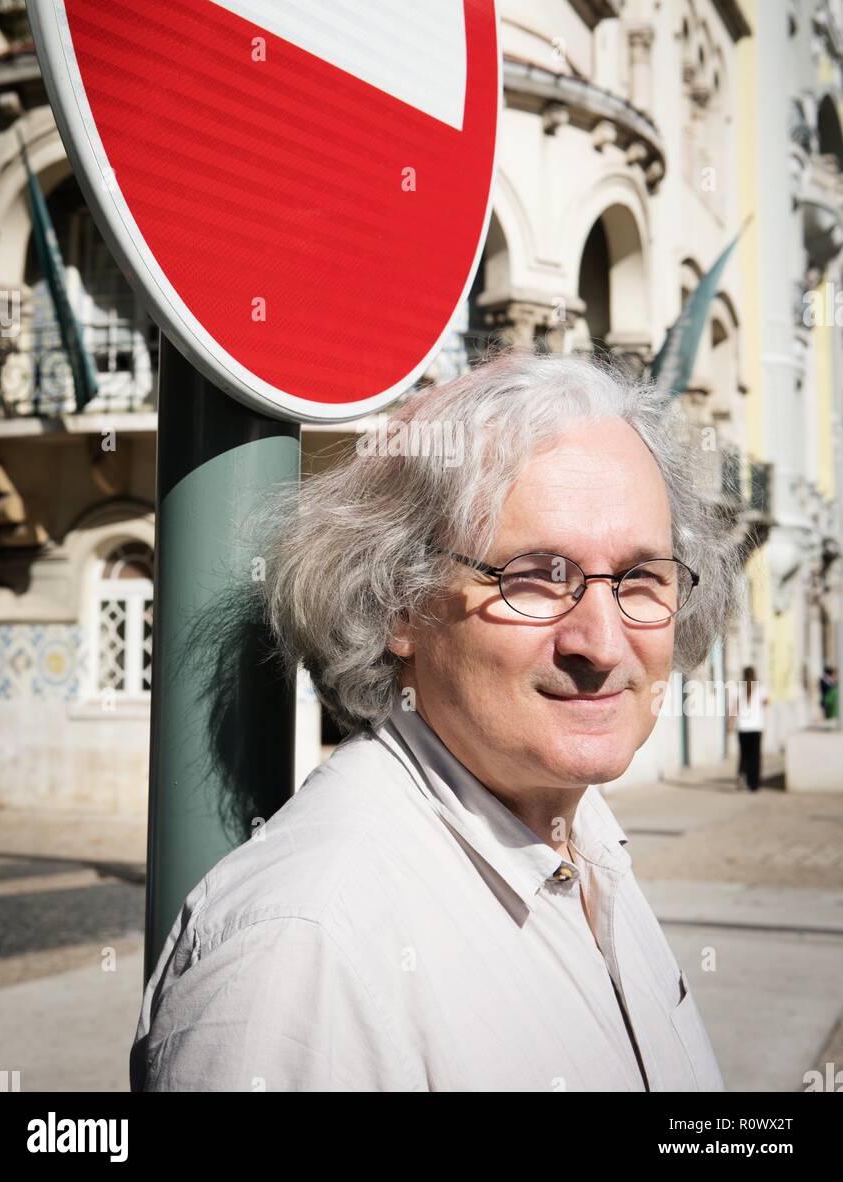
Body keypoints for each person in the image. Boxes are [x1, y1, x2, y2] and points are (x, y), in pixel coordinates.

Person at [130, 346, 746, 1093]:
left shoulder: (582, 844)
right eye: (536, 578)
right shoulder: (306, 950)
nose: (603, 643)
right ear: (399, 604)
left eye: (642, 578)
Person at [726, 665, 768, 791]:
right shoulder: (760, 687)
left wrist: (730, 723)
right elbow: (767, 702)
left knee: (744, 755)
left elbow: (735, 708)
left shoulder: (739, 687)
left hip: (743, 727)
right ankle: (753, 784)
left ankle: (741, 776)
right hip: (756, 727)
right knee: (755, 756)